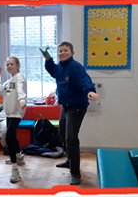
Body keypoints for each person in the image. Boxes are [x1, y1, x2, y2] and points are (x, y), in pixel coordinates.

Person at [40, 42, 99, 185]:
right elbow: (52, 71)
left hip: (77, 107)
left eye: (65, 50)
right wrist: (48, 60)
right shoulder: (60, 67)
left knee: (71, 137)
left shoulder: (75, 67)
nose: (62, 53)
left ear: (72, 53)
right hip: (66, 106)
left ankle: (75, 173)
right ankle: (69, 160)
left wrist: (90, 91)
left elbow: (85, 80)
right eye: (60, 51)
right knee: (62, 134)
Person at [0, 56, 27, 183]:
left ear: (18, 66)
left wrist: (22, 100)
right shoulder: (7, 82)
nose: (9, 66)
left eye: (12, 64)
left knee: (8, 136)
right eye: (7, 65)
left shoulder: (19, 77)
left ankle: (15, 170)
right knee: (12, 136)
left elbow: (20, 89)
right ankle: (19, 156)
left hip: (17, 113)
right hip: (9, 113)